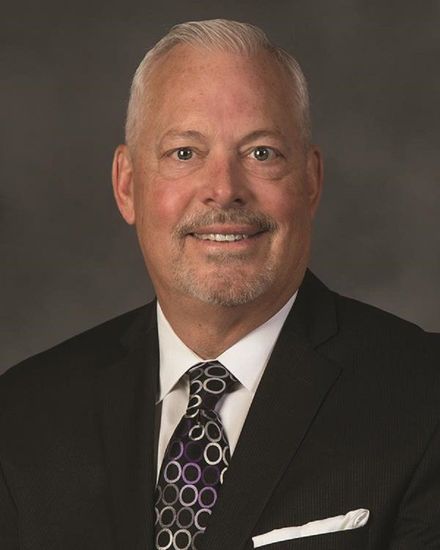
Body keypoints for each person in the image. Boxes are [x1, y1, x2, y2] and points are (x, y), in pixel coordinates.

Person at [0, 19, 439, 550]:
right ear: (127, 185)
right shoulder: (22, 416)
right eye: (184, 153)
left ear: (311, 181)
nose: (224, 190)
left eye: (261, 153)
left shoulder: (422, 398)